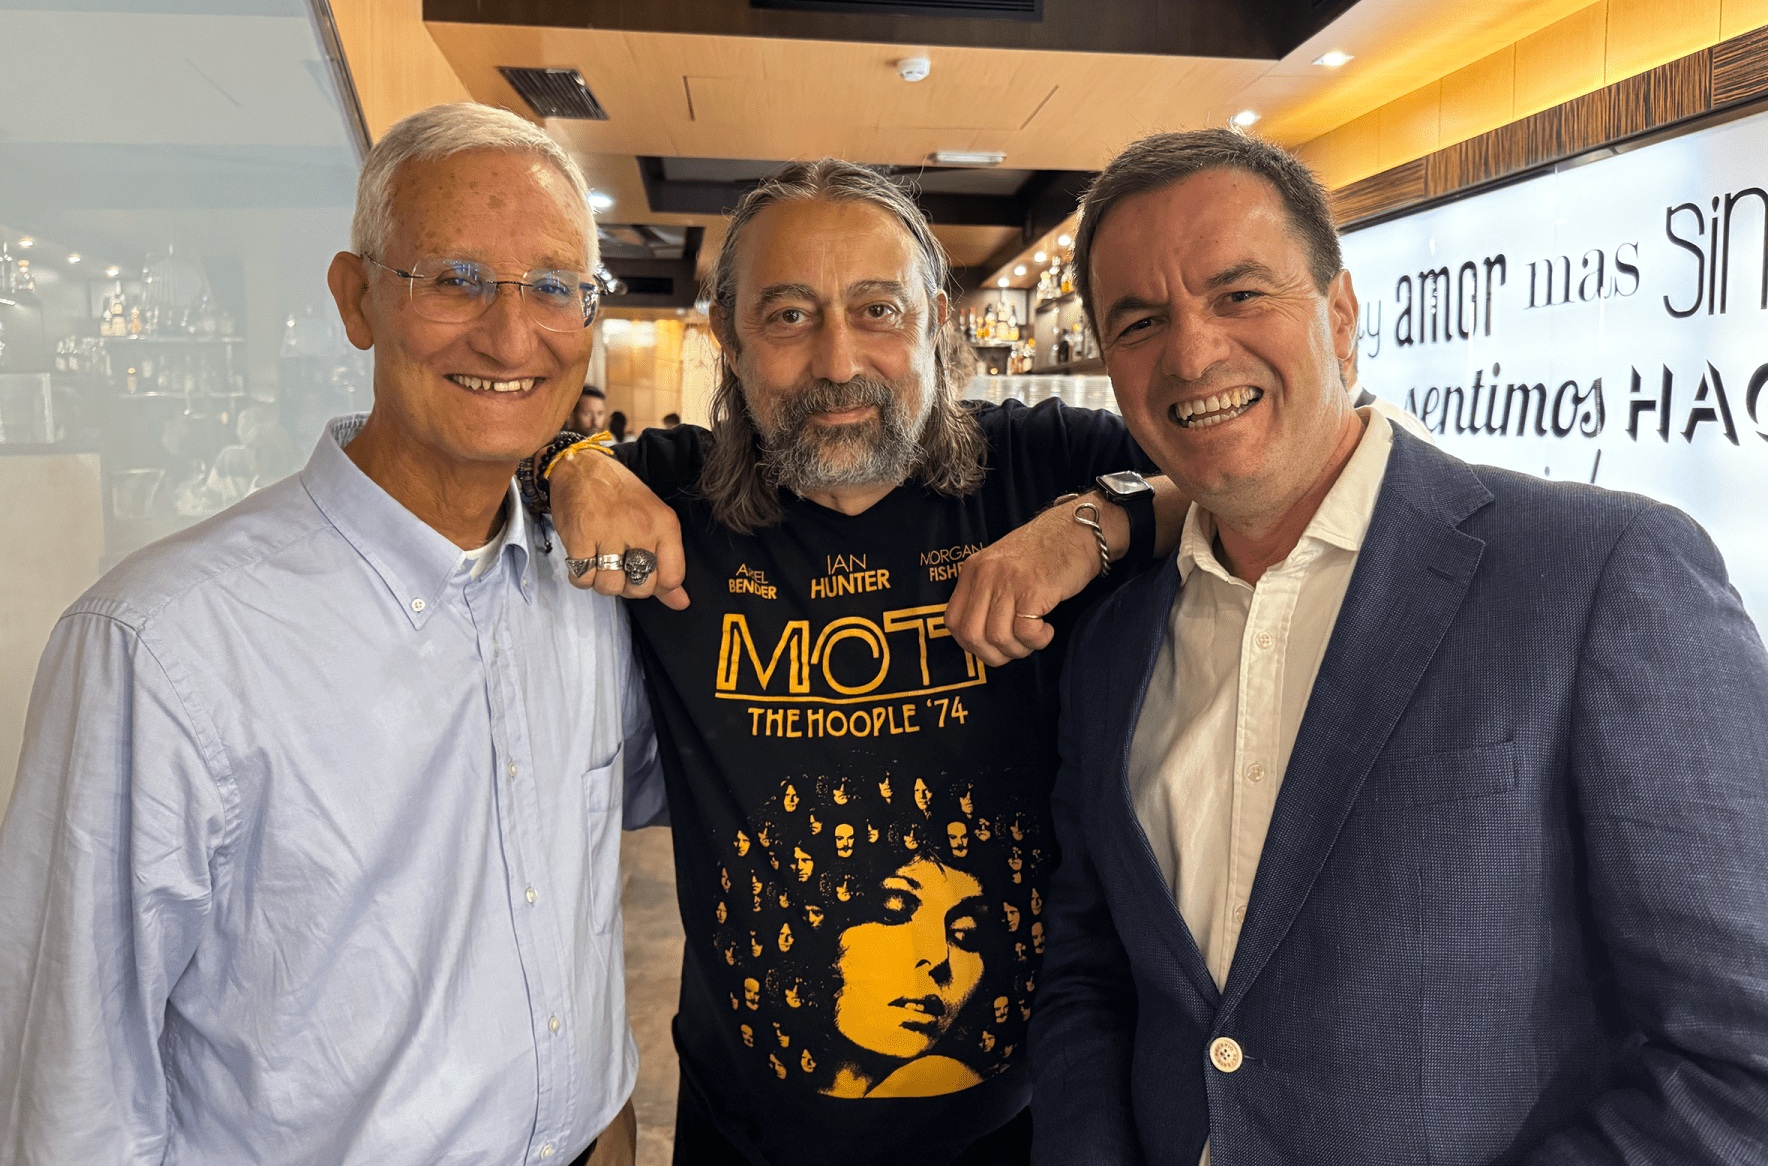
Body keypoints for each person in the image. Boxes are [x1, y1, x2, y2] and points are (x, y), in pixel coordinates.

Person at [1029, 129, 1768, 1163]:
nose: (1192, 354)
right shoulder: (1111, 645)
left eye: (1239, 295)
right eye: (1141, 321)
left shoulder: (1600, 573)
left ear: (1340, 316)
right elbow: (1092, 977)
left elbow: (1742, 1058)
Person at [0, 103, 664, 1165]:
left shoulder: (589, 593)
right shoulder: (164, 644)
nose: (511, 334)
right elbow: (65, 1079)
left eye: (553, 287)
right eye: (455, 279)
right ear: (357, 300)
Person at [535, 160, 1181, 1166]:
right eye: (789, 317)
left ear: (938, 323)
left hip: (1018, 1122)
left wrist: (1095, 523)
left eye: (878, 309)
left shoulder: (1041, 464)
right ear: (729, 340)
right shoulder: (670, 492)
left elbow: (1259, 473)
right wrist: (568, 465)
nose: (839, 361)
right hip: (740, 1132)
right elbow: (464, 450)